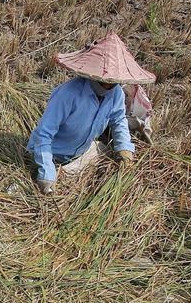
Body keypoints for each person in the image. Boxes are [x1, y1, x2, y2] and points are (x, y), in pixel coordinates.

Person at [27, 32, 156, 195]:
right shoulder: (68, 94)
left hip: (79, 153)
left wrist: (124, 149)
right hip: (51, 155)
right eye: (105, 80)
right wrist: (47, 173)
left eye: (114, 80)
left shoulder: (116, 94)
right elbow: (43, 135)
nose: (109, 85)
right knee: (58, 186)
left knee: (102, 153)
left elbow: (118, 120)